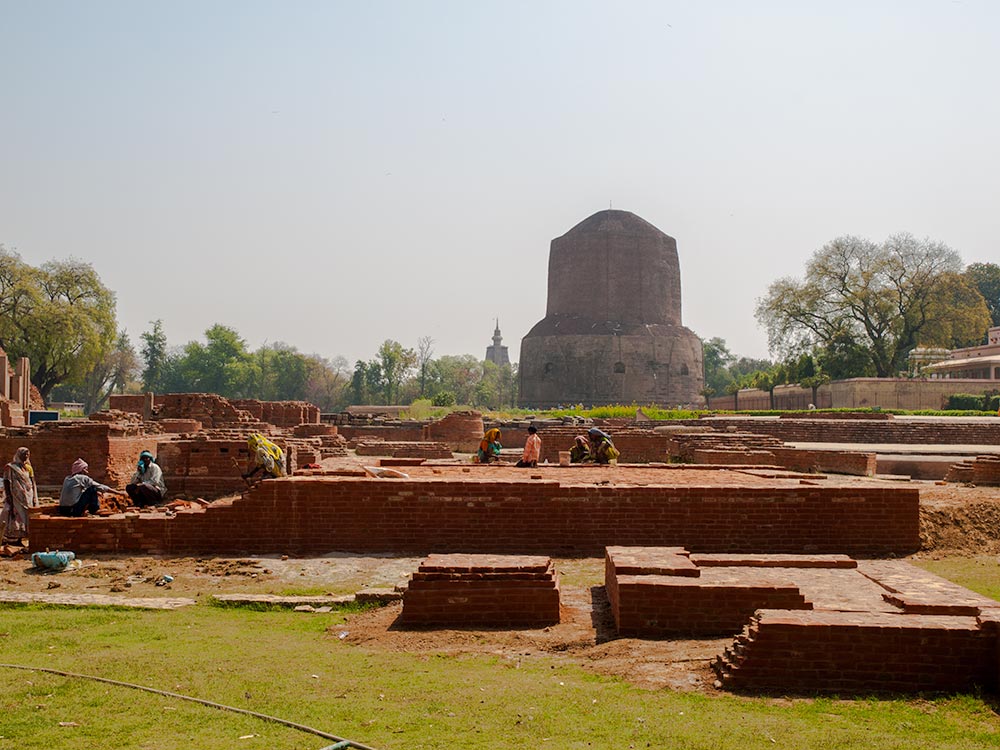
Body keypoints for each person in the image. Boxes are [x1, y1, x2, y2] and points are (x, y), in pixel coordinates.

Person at [1, 447, 39, 546]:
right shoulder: (10, 467)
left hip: (28, 497)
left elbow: (32, 481)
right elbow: (6, 481)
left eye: (27, 455)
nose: (26, 456)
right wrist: (9, 496)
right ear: (18, 455)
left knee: (26, 516)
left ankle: (23, 537)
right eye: (24, 454)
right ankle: (15, 538)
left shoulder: (28, 468)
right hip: (16, 496)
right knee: (16, 516)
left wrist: (34, 496)